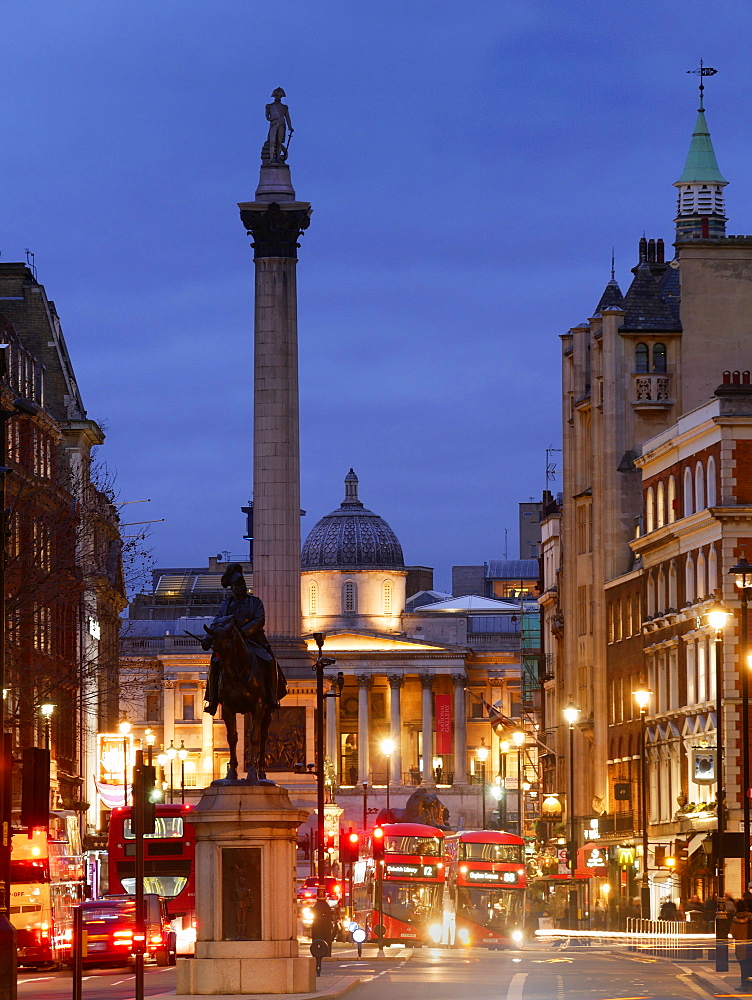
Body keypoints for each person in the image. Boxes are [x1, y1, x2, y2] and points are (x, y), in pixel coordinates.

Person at [202, 563, 286, 714]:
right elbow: (216, 621)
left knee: (269, 660)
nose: (240, 588)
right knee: (215, 662)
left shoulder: (255, 602)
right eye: (237, 586)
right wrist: (207, 638)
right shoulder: (225, 604)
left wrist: (242, 633)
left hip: (253, 641)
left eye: (242, 584)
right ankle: (212, 699)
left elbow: (259, 620)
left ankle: (272, 697)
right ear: (232, 588)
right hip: (229, 643)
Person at [265, 87, 293, 162]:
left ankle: (277, 158)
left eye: (279, 96)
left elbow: (287, 117)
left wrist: (290, 127)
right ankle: (271, 158)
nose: (278, 97)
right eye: (276, 96)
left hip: (282, 125)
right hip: (274, 125)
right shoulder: (269, 106)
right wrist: (274, 118)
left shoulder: (284, 107)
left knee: (279, 142)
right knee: (272, 141)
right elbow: (267, 117)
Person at [730, 899, 752, 989]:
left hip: (741, 945)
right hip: (750, 943)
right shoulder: (750, 917)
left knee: (743, 966)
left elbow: (733, 933)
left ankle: (745, 984)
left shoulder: (735, 919)